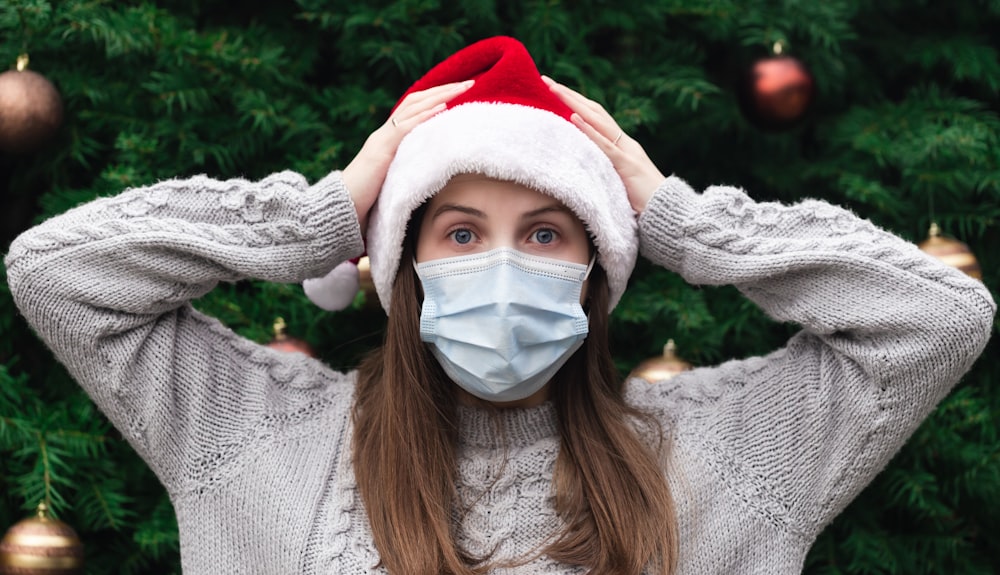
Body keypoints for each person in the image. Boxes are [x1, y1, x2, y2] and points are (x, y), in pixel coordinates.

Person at [4, 36, 994, 575]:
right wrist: (326, 211)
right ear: (404, 264)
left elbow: (938, 316)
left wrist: (683, 222)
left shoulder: (726, 454)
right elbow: (56, 273)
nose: (506, 265)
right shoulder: (255, 434)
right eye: (462, 232)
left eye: (548, 232)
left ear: (597, 273)